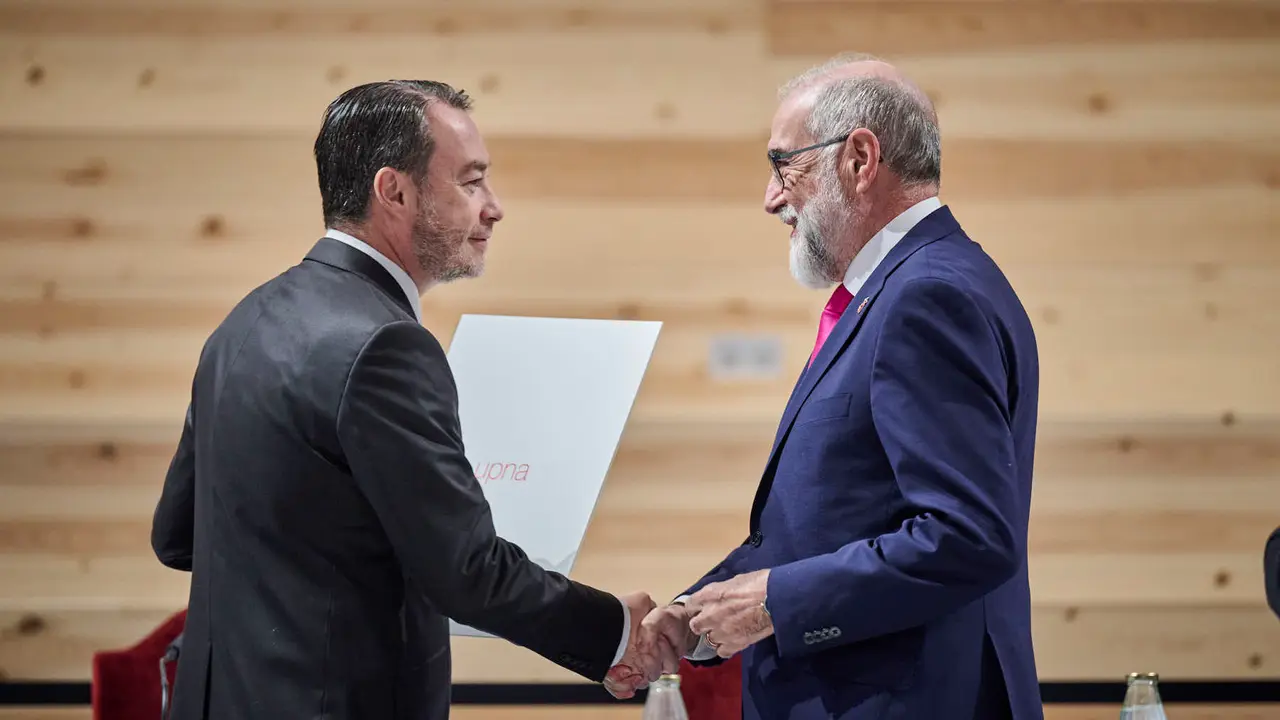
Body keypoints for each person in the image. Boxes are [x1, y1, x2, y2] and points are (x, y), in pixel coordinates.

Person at [149, 80, 660, 719]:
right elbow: (466, 574)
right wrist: (615, 630)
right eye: (471, 182)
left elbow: (178, 537)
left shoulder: (244, 321)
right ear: (393, 191)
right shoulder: (386, 345)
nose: (494, 207)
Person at [635, 54, 1044, 719]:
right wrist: (694, 615)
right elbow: (826, 525)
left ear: (859, 159)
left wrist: (775, 603)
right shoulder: (904, 289)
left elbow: (968, 534)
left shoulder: (926, 296)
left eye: (783, 164)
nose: (771, 197)